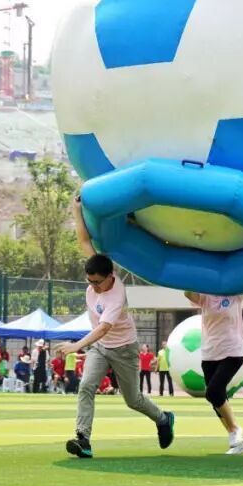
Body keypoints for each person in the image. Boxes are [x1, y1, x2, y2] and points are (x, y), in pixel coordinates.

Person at [58, 196, 175, 459]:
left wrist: (76, 346)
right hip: (101, 349)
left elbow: (103, 328)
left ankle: (163, 418)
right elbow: (84, 241)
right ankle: (83, 439)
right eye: (89, 281)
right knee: (86, 386)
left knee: (133, 399)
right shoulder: (99, 271)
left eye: (97, 282)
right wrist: (76, 210)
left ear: (110, 276)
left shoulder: (116, 295)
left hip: (124, 349)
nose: (93, 287)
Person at [183, 288, 243, 455]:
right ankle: (236, 441)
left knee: (213, 392)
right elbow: (188, 293)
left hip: (233, 351)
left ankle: (235, 429)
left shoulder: (235, 293)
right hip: (210, 353)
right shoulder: (205, 295)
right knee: (215, 398)